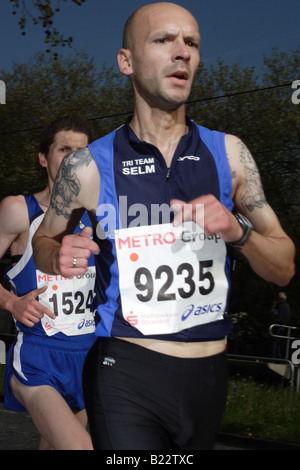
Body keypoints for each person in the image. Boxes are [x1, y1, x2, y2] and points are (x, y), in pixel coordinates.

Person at [32, 3, 295, 450]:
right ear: (126, 61)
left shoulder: (230, 155)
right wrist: (55, 256)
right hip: (125, 370)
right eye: (163, 40)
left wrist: (239, 232)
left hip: (208, 376)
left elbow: (284, 267)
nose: (182, 53)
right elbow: (43, 240)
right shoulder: (87, 166)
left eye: (191, 43)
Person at [0, 115, 96, 450]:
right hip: (40, 357)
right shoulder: (18, 211)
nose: (73, 159)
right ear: (44, 158)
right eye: (63, 149)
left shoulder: (101, 215)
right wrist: (12, 302)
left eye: (81, 152)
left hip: (92, 357)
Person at [271, 292, 291, 358]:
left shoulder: (278, 305)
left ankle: (273, 358)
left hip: (278, 325)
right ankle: (279, 358)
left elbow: (274, 314)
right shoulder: (287, 305)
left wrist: (274, 306)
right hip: (284, 325)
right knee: (278, 342)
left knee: (274, 341)